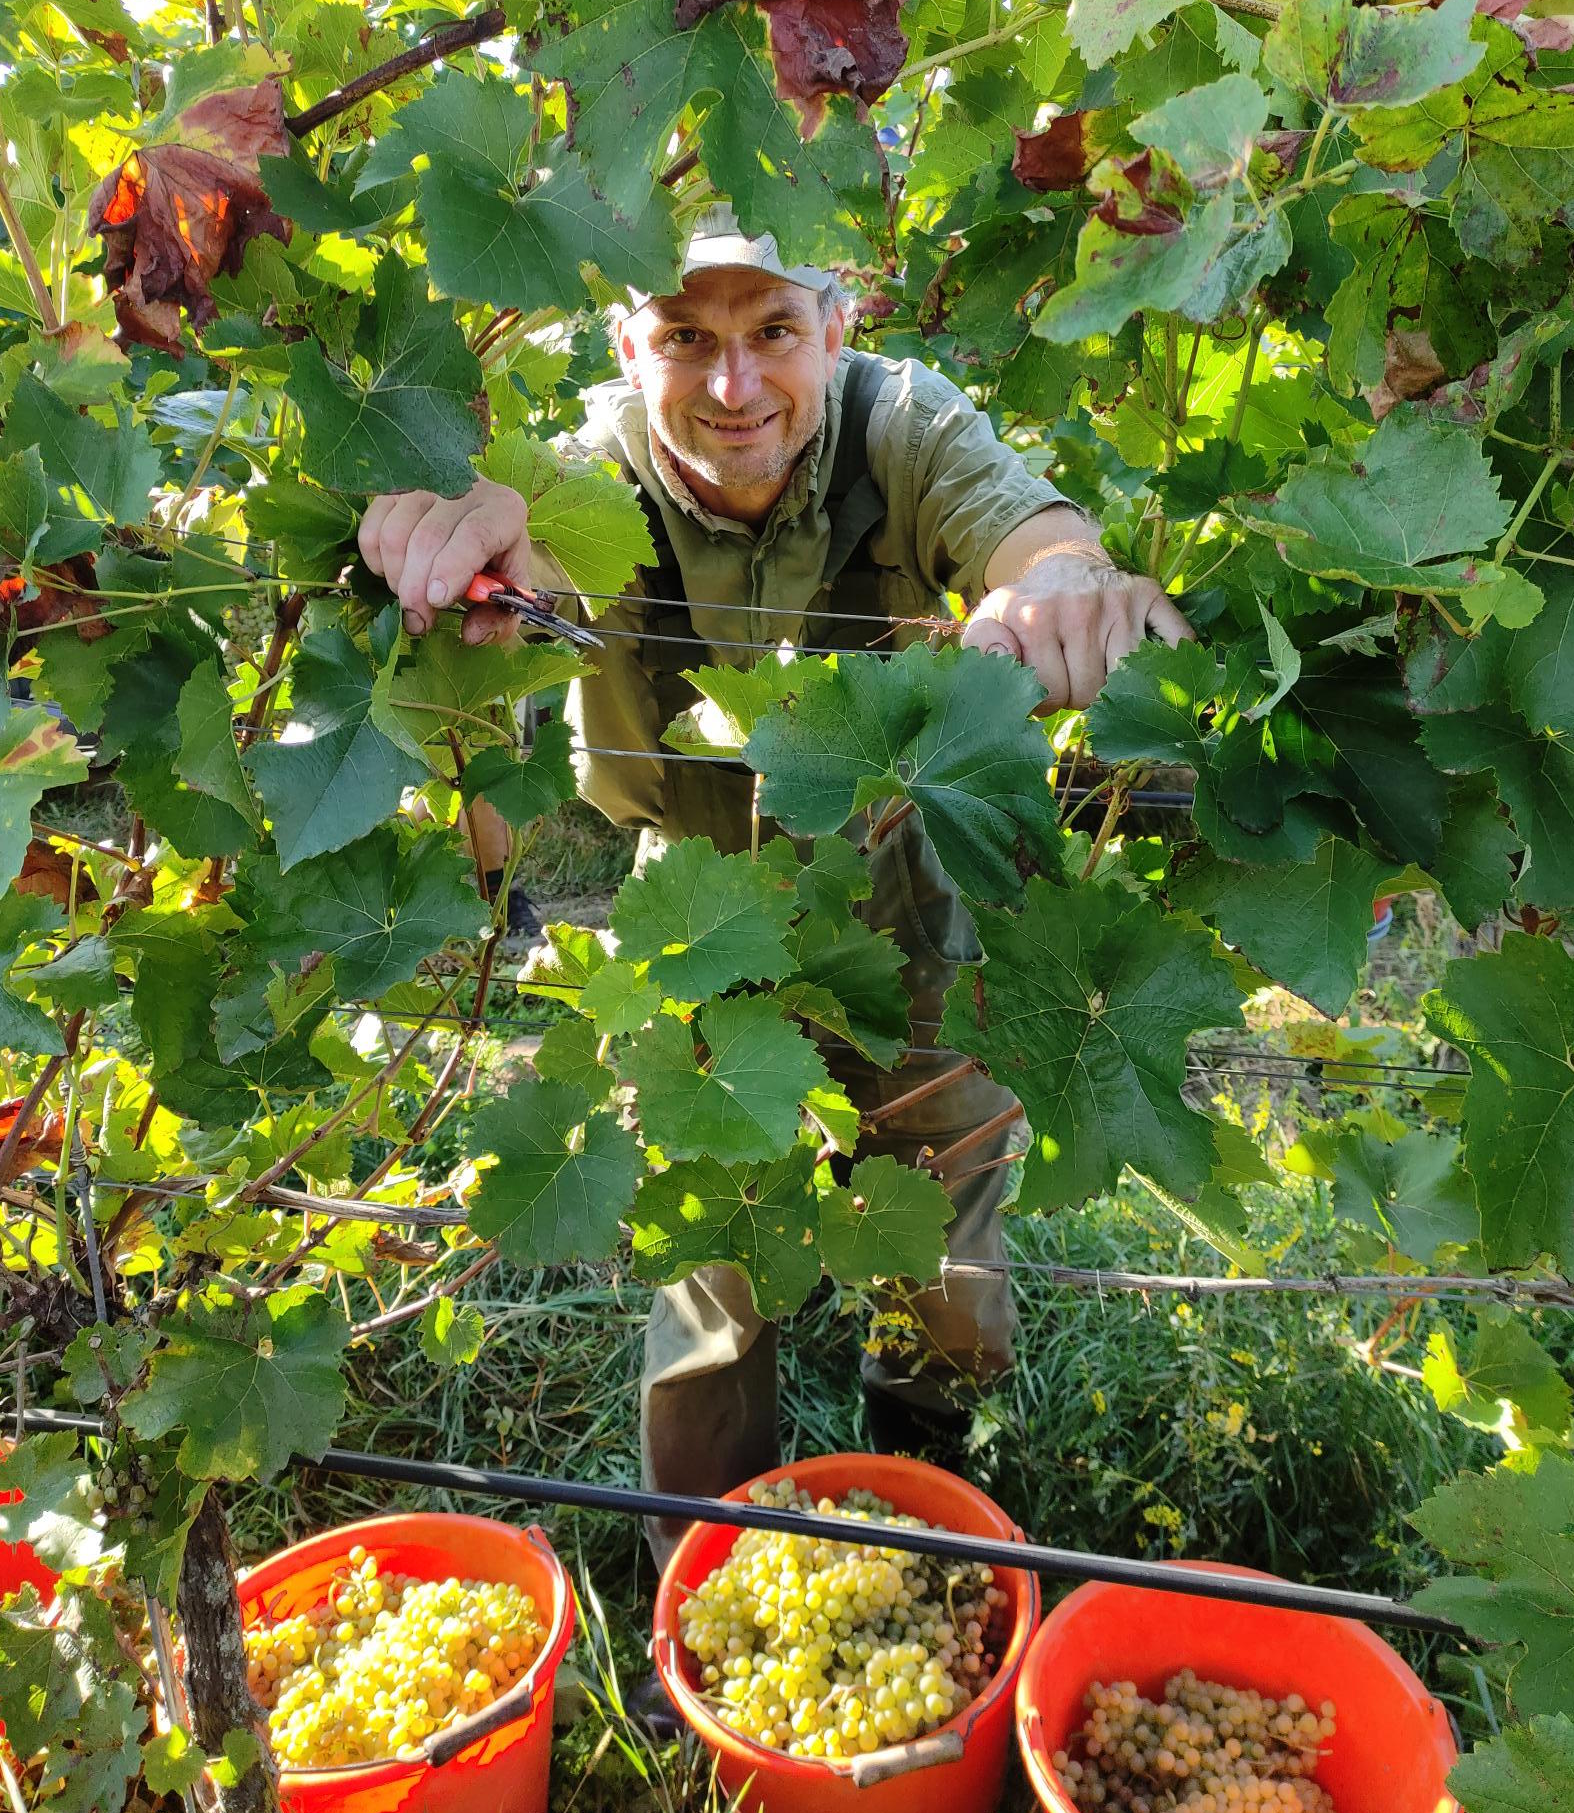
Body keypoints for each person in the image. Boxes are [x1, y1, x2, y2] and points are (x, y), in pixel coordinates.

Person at [359, 213, 1191, 1635]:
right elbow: (539, 540)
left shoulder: (906, 429)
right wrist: (467, 553)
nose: (733, 386)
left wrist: (1059, 593)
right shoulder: (584, 468)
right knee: (711, 1281)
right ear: (630, 346)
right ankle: (708, 1577)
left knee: (946, 1265)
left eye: (771, 336)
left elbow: (1036, 538)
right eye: (687, 337)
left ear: (836, 325)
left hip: (910, 911)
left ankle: (921, 1524)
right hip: (685, 932)